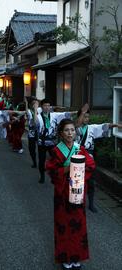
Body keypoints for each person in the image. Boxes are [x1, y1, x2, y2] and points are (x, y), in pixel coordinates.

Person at [46, 118, 95, 270]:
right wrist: (67, 169)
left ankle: (77, 257)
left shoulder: (79, 148)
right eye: (66, 130)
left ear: (75, 132)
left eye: (72, 130)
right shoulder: (56, 150)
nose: (70, 133)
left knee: (78, 225)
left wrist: (80, 170)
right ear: (61, 133)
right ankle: (65, 258)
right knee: (64, 225)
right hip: (62, 193)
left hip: (78, 190)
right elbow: (52, 171)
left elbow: (91, 165)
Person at [76, 105, 122, 212]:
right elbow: (77, 124)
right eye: (84, 117)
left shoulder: (92, 128)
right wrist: (82, 113)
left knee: (91, 182)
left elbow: (105, 126)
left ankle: (91, 203)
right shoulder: (74, 128)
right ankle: (77, 202)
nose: (86, 119)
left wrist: (115, 125)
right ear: (79, 117)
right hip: (77, 158)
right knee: (78, 181)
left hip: (89, 158)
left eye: (87, 117)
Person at [35, 98, 77, 183]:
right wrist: (35, 109)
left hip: (52, 142)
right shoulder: (38, 116)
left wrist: (76, 112)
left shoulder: (54, 115)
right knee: (42, 160)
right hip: (42, 142)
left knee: (56, 159)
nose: (47, 107)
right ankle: (42, 176)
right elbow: (35, 122)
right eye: (45, 105)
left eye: (48, 105)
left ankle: (55, 175)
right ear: (41, 107)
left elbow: (65, 114)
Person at [25, 97, 40, 168]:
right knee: (32, 149)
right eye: (34, 103)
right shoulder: (29, 111)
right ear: (31, 105)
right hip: (32, 133)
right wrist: (26, 103)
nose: (36, 105)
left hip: (40, 132)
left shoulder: (39, 110)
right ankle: (34, 162)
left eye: (37, 103)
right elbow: (34, 123)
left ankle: (41, 162)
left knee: (41, 149)